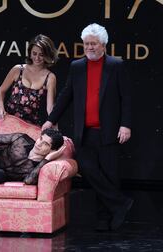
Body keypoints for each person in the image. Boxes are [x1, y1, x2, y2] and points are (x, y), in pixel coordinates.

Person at [42, 23, 133, 231]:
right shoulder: (77, 67)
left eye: (93, 43)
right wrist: (51, 118)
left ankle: (107, 218)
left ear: (103, 45)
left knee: (108, 174)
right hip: (85, 132)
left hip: (109, 130)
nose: (89, 47)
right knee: (89, 170)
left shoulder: (115, 65)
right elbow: (66, 96)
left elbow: (126, 97)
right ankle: (120, 204)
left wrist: (125, 124)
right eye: (86, 44)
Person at [0, 34, 58, 126]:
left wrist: (55, 131)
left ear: (47, 55)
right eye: (34, 53)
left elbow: (50, 109)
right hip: (9, 122)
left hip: (31, 126)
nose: (37, 58)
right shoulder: (18, 69)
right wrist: (1, 109)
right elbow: (1, 91)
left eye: (41, 55)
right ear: (30, 53)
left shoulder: (50, 77)